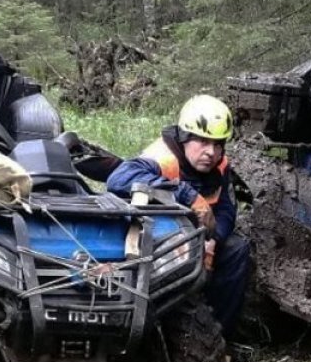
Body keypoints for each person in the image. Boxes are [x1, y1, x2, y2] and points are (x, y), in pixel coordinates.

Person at [107, 94, 250, 338]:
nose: (211, 152)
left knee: (237, 249)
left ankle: (220, 334)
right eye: (203, 142)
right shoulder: (161, 158)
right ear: (184, 137)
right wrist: (187, 194)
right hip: (156, 234)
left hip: (197, 235)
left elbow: (226, 209)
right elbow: (116, 180)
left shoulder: (220, 165)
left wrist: (215, 239)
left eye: (217, 144)